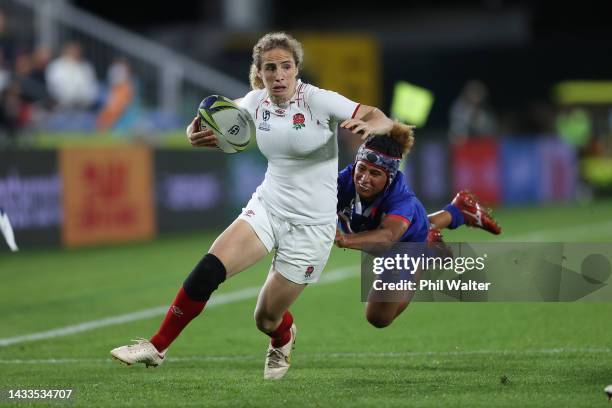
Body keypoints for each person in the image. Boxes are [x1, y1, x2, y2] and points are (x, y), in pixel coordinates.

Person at [110, 32, 396, 380]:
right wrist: (191, 131)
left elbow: (379, 115)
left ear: (296, 69)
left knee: (265, 318)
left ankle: (283, 336)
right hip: (269, 206)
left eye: (286, 67)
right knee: (208, 270)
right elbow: (211, 115)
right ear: (259, 72)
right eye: (270, 68)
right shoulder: (253, 102)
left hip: (312, 226)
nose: (278, 75)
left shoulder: (319, 101)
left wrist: (372, 125)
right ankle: (156, 347)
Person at [335, 131, 501, 328]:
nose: (363, 178)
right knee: (368, 227)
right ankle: (457, 211)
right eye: (361, 169)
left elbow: (388, 237)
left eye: (375, 173)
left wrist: (345, 241)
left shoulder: (403, 200)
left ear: (389, 177)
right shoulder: (343, 179)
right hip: (390, 227)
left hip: (403, 242)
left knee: (378, 317)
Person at [45, 41, 98, 109]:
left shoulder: (86, 66)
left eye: (77, 51)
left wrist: (86, 100)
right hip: (61, 106)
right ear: (66, 51)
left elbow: (92, 88)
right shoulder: (55, 66)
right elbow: (54, 87)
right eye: (73, 50)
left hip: (84, 106)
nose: (75, 53)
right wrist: (71, 99)